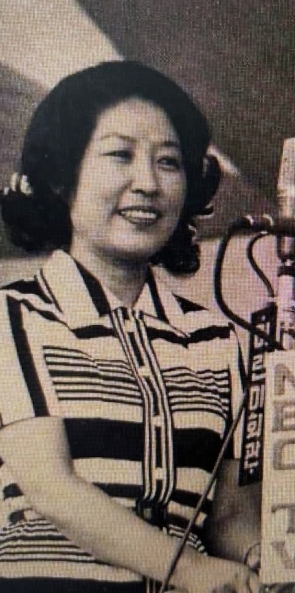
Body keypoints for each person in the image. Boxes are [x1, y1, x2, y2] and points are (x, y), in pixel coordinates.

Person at [0, 61, 262, 593]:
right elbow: (51, 488)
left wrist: (267, 560)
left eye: (169, 162)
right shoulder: (14, 317)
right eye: (120, 155)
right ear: (63, 176)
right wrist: (190, 570)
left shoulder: (219, 342)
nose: (148, 184)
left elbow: (229, 512)